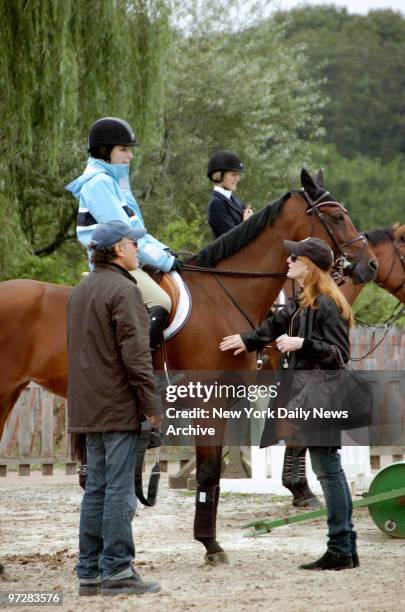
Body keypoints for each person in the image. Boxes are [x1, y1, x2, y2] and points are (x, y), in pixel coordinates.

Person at [220, 237, 359, 571]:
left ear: (308, 264)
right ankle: (345, 548)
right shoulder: (300, 302)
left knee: (328, 471)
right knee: (328, 470)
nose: (287, 260)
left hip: (322, 396)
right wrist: (245, 340)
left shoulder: (327, 303)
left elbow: (340, 356)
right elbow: (273, 326)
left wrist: (302, 343)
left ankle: (341, 549)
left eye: (294, 256)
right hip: (309, 395)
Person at [67, 220, 163, 596]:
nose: (138, 250)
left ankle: (88, 573)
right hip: (117, 406)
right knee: (119, 491)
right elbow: (137, 357)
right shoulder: (125, 290)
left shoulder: (80, 290)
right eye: (133, 244)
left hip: (88, 406)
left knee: (96, 489)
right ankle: (118, 571)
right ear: (118, 249)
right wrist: (151, 404)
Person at [66, 116, 182, 348]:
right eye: (124, 150)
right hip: (114, 263)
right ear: (104, 151)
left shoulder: (111, 182)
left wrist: (166, 253)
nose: (130, 156)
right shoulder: (98, 183)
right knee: (161, 301)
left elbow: (138, 232)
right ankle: (136, 369)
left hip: (128, 259)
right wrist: (164, 261)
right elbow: (124, 235)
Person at [206, 151, 253, 238]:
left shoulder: (234, 199)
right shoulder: (216, 204)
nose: (237, 179)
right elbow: (233, 239)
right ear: (219, 176)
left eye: (238, 175)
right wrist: (247, 222)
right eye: (233, 175)